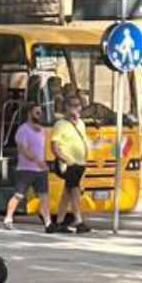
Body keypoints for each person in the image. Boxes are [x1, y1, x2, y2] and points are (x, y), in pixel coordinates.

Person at [3, 102, 51, 231]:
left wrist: (44, 162)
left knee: (44, 196)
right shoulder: (23, 130)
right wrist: (38, 161)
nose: (40, 115)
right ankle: (8, 218)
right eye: (37, 112)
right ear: (29, 113)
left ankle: (48, 223)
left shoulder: (42, 130)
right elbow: (23, 150)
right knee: (19, 195)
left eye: (40, 113)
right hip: (25, 169)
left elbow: (42, 149)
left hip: (40, 170)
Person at [50, 91, 93, 233]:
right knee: (74, 191)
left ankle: (60, 222)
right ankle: (79, 222)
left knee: (67, 193)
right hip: (69, 164)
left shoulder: (81, 123)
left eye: (79, 105)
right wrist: (65, 159)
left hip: (80, 163)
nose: (77, 108)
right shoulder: (60, 124)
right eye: (73, 105)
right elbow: (54, 146)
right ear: (66, 108)